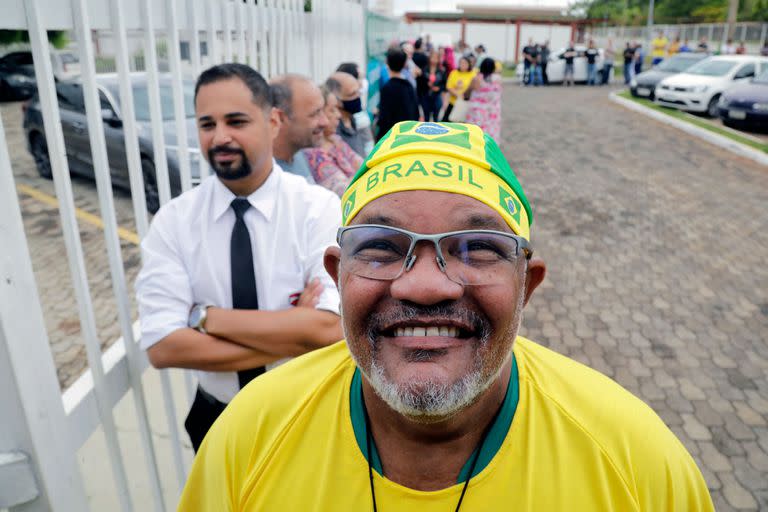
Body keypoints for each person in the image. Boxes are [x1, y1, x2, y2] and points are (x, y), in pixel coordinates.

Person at [178, 121, 716, 511]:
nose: (426, 284)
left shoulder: (637, 464)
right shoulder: (250, 435)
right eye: (383, 246)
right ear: (338, 276)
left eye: (478, 246)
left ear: (526, 286)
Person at [135, 63, 343, 452]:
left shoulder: (316, 208)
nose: (220, 137)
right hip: (216, 418)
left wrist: (207, 318)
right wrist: (295, 334)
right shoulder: (175, 221)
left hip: (305, 410)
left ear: (274, 121)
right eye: (207, 124)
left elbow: (331, 330)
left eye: (236, 121)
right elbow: (164, 347)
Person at [303, 85, 363, 197]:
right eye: (332, 110)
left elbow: (365, 166)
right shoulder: (313, 154)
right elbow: (345, 192)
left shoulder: (335, 140)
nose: (338, 115)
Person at [269, 74, 329, 184]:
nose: (325, 122)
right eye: (315, 114)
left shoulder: (298, 154)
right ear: (280, 118)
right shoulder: (267, 178)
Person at [326, 71, 374, 158]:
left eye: (358, 92)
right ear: (337, 100)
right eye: (352, 94)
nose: (358, 96)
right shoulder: (334, 129)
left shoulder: (353, 119)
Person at [377, 47, 419, 141]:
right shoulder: (409, 86)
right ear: (404, 64)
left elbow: (384, 117)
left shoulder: (387, 88)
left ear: (387, 63)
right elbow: (415, 111)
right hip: (406, 133)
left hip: (391, 136)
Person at [465, 57, 502, 142]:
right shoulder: (498, 79)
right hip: (493, 110)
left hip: (477, 111)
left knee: (476, 132)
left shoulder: (476, 78)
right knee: (491, 130)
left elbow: (467, 92)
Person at [442, 56, 476, 121]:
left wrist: (465, 95)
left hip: (465, 103)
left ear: (469, 64)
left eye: (465, 63)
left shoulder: (472, 74)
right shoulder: (454, 73)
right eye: (461, 63)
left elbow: (473, 87)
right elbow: (449, 86)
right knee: (446, 122)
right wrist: (458, 95)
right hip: (453, 102)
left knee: (461, 123)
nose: (463, 65)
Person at [421, 50, 446, 122]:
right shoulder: (425, 69)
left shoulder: (441, 71)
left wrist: (439, 88)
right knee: (426, 117)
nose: (434, 60)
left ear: (438, 59)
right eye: (432, 57)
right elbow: (420, 83)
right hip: (425, 96)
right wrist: (426, 84)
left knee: (436, 118)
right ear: (429, 58)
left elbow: (444, 85)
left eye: (436, 58)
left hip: (437, 97)